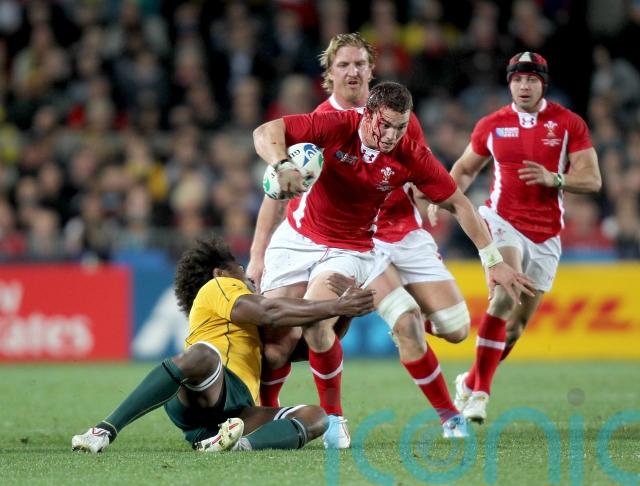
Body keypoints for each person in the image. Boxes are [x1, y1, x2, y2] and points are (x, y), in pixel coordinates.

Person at [252, 80, 535, 442]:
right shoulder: (335, 125)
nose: (390, 136)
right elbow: (266, 132)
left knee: (317, 321)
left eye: (399, 128)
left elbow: (459, 204)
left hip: (349, 249)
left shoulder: (409, 155)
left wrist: (493, 259)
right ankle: (268, 411)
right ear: (367, 114)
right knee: (274, 341)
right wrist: (280, 164)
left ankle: (335, 419)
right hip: (296, 240)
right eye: (384, 125)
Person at [71, 235, 374, 453]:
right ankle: (104, 430)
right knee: (202, 354)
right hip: (207, 387)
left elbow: (308, 347)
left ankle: (232, 445)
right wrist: (336, 306)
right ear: (220, 273)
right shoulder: (218, 286)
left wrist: (347, 310)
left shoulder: (248, 328)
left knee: (316, 417)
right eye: (240, 267)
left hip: (235, 412)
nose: (247, 274)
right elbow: (269, 311)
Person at [428, 52, 601, 423]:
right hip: (501, 221)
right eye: (517, 79)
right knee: (504, 296)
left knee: (516, 328)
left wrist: (556, 179)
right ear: (509, 84)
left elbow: (593, 179)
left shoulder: (568, 123)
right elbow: (464, 169)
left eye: (531, 79)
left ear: (543, 84)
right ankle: (480, 395)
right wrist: (441, 199)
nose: (524, 86)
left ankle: (470, 381)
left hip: (547, 234)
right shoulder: (491, 124)